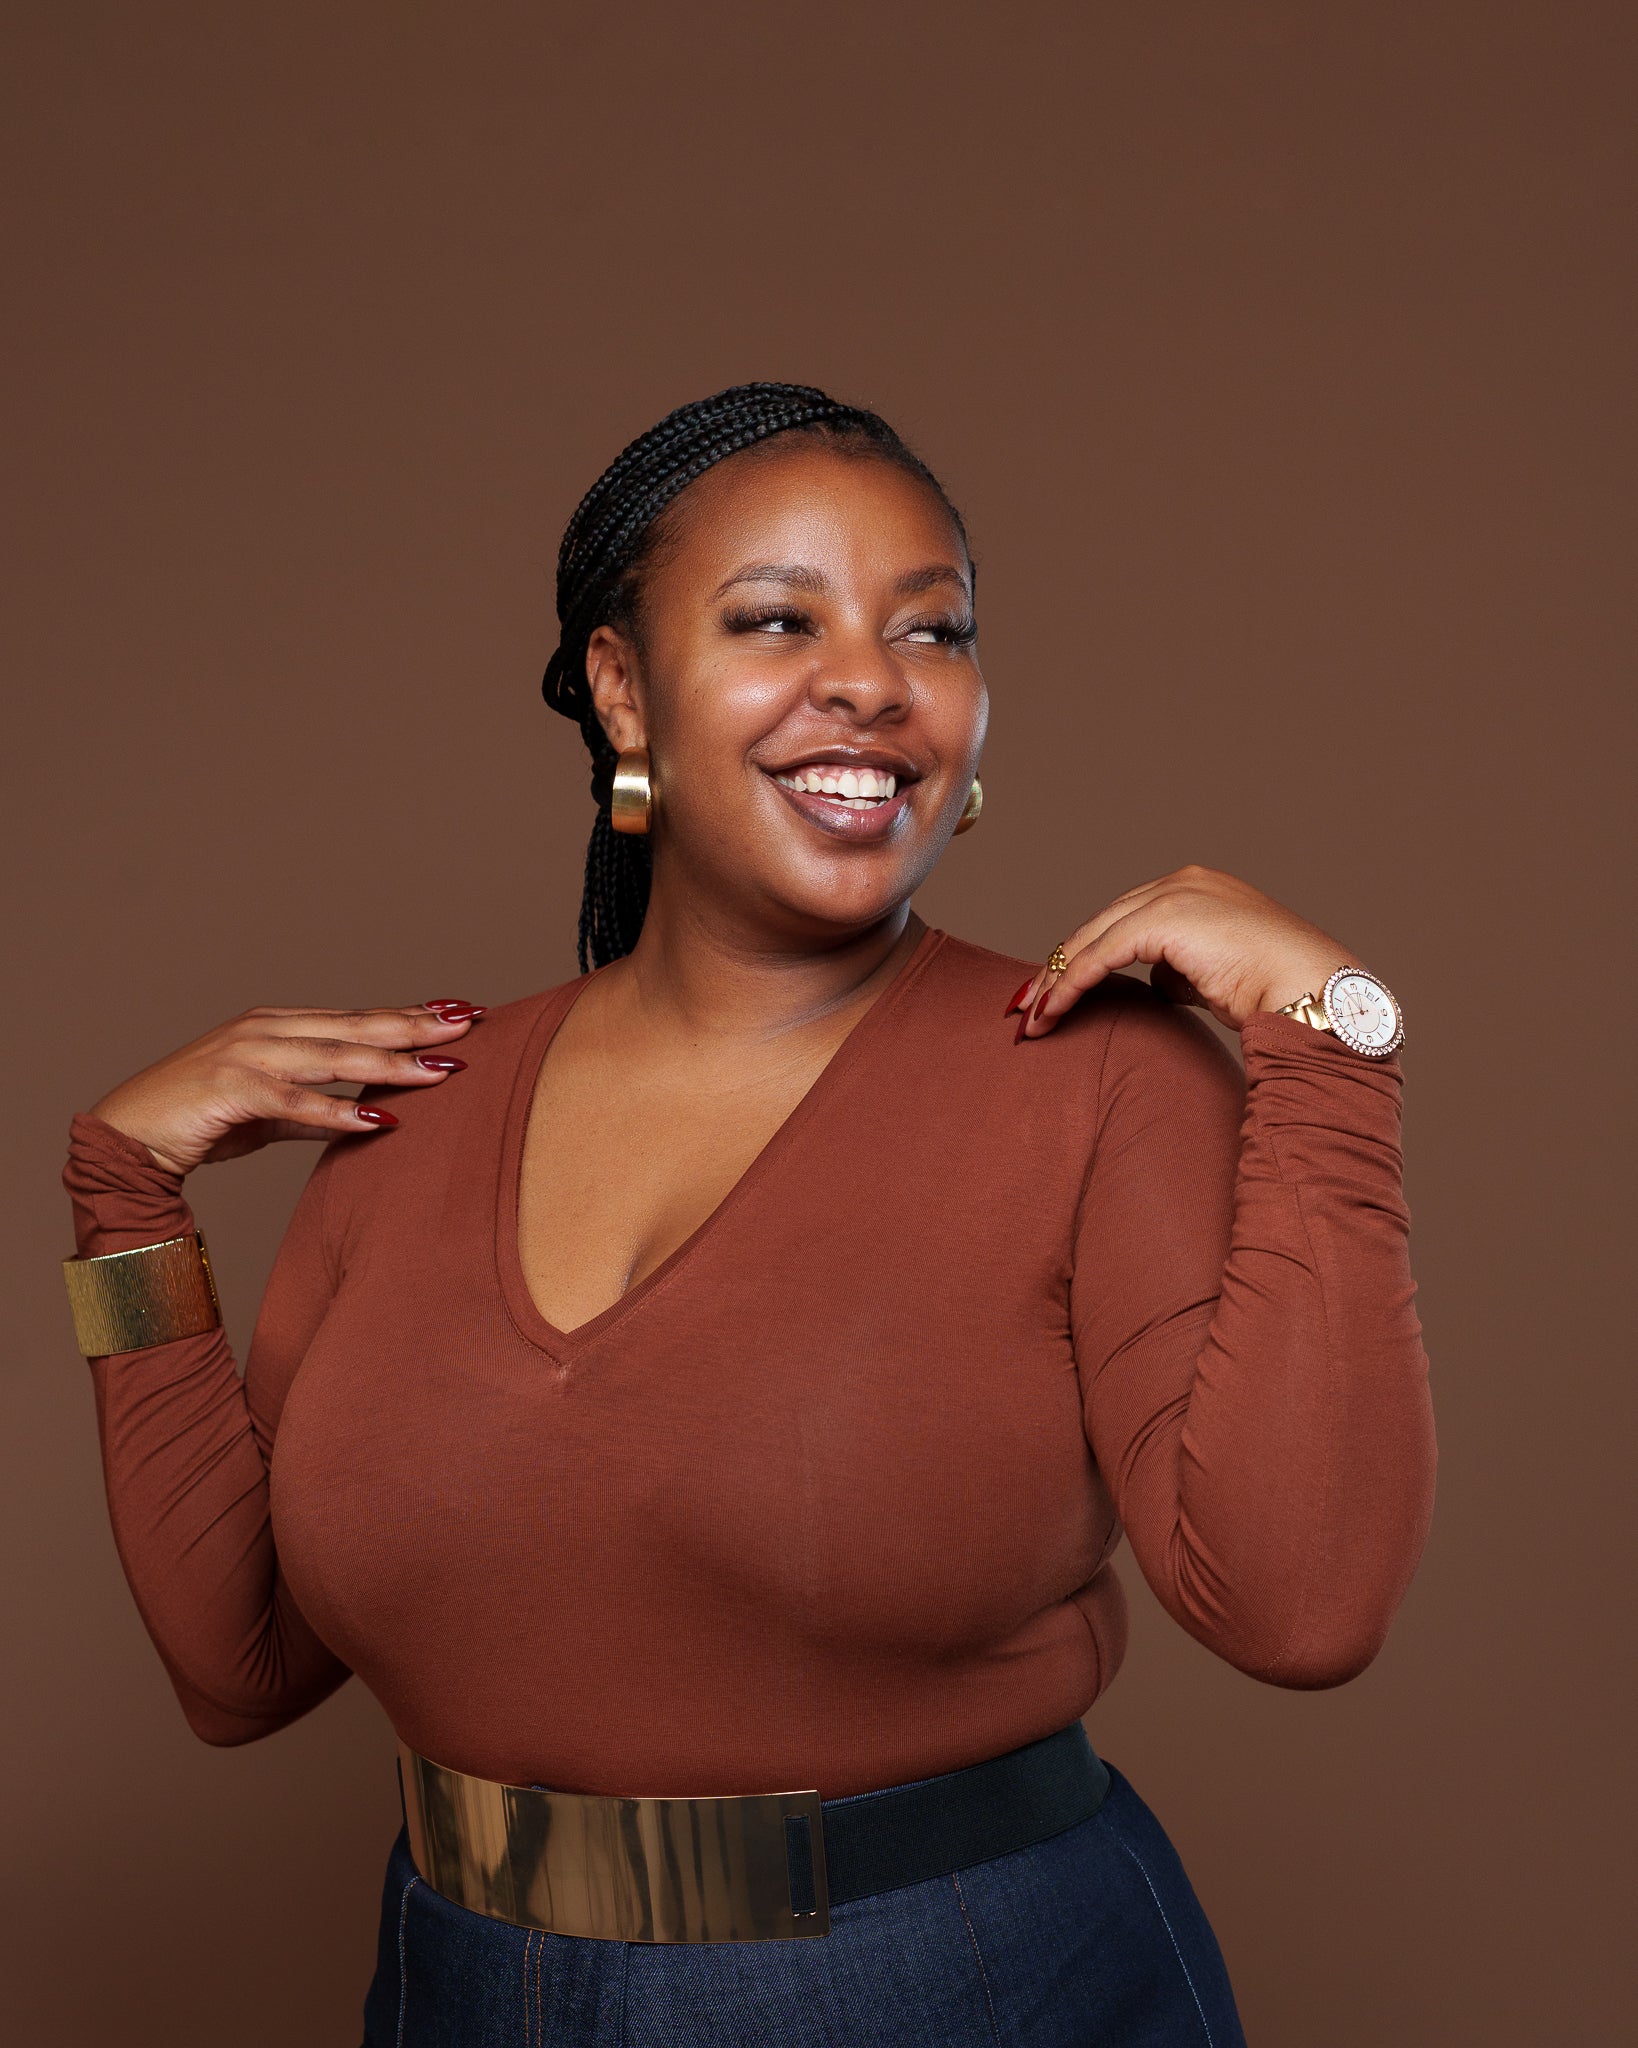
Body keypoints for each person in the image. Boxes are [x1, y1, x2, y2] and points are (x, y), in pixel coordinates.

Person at [61, 382, 1436, 2047]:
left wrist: (1330, 1041)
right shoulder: (417, 1112)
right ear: (619, 687)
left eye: (932, 631)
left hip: (949, 1985)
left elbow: (1300, 1610)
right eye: (779, 619)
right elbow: (238, 1667)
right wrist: (125, 1212)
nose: (870, 679)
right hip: (462, 1986)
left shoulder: (1091, 1079)